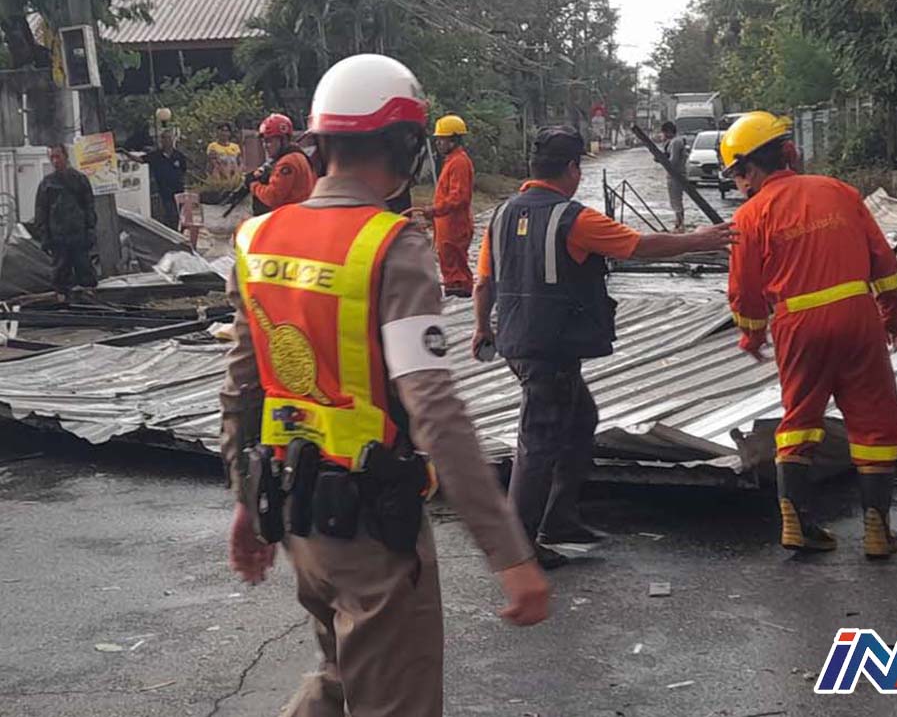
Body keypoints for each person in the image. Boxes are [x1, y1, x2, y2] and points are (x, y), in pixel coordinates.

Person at [220, 54, 548, 717]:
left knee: (339, 675)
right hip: (372, 527)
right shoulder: (390, 246)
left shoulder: (258, 239)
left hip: (297, 516)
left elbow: (241, 390)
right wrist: (509, 550)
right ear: (405, 147)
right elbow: (434, 409)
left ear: (321, 143)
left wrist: (247, 502)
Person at [472, 128, 737, 569]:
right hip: (551, 346)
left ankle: (558, 520)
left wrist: (482, 327)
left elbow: (484, 281)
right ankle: (518, 547)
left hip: (520, 340)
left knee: (581, 420)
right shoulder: (573, 218)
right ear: (573, 169)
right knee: (538, 441)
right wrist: (698, 239)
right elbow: (638, 245)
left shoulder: (501, 214)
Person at [720, 111, 897, 560]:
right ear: (788, 152)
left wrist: (752, 336)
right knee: (873, 419)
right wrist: (893, 316)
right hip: (858, 316)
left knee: (800, 418)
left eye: (736, 175)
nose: (738, 185)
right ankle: (877, 530)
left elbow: (744, 291)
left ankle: (796, 523)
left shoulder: (748, 216)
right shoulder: (839, 191)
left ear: (748, 169)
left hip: (798, 325)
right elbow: (884, 263)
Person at [408, 114, 475, 298]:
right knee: (450, 266)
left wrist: (435, 210)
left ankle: (460, 298)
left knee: (456, 270)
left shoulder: (459, 163)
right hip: (447, 225)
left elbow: (459, 197)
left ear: (453, 140)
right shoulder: (452, 161)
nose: (438, 143)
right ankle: (455, 294)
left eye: (442, 139)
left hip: (455, 226)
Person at [33, 144, 98, 300]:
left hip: (78, 236)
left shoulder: (80, 180)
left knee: (85, 272)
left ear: (66, 156)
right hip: (58, 239)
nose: (55, 161)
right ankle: (63, 302)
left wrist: (90, 232)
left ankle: (89, 302)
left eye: (58, 156)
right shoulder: (47, 184)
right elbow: (41, 212)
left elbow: (89, 208)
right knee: (60, 276)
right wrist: (45, 238)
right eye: (52, 157)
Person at [245, 113, 317, 215]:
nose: (265, 146)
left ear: (283, 140)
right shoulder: (299, 156)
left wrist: (254, 185)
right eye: (264, 141)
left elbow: (272, 197)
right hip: (302, 214)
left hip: (290, 217)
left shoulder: (287, 163)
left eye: (269, 141)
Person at [146, 129, 187, 231]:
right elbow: (140, 159)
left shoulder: (179, 156)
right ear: (161, 140)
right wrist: (124, 152)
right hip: (164, 192)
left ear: (173, 140)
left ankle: (177, 234)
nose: (167, 140)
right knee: (168, 215)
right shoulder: (155, 155)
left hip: (178, 191)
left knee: (178, 216)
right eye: (164, 138)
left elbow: (184, 170)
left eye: (169, 138)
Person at [660, 121, 688, 231]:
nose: (663, 135)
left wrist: (662, 160)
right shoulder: (672, 142)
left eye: (664, 132)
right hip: (674, 175)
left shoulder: (676, 142)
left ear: (668, 131)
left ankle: (680, 224)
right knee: (675, 200)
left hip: (676, 175)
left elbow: (673, 161)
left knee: (676, 200)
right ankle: (679, 223)